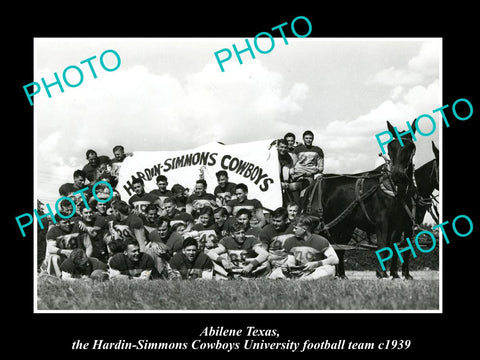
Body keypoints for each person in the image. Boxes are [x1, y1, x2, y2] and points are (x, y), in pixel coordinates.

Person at [281, 215, 338, 280]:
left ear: (304, 229)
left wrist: (316, 264)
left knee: (330, 269)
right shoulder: (290, 241)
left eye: (296, 228)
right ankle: (301, 279)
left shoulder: (321, 241)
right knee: (276, 273)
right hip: (299, 271)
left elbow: (335, 259)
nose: (293, 230)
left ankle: (306, 279)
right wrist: (287, 266)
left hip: (316, 270)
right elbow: (291, 261)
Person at [258, 207, 295, 276]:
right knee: (264, 264)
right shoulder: (266, 230)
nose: (275, 223)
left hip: (289, 258)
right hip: (272, 259)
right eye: (273, 220)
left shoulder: (293, 229)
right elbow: (263, 252)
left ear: (286, 220)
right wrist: (272, 261)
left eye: (278, 221)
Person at [276, 139, 296, 206]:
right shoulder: (274, 155)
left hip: (284, 182)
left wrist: (286, 182)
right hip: (274, 181)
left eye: (285, 147)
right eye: (281, 147)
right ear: (277, 147)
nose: (283, 149)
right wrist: (279, 183)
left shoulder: (288, 157)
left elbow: (288, 170)